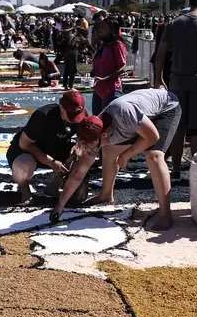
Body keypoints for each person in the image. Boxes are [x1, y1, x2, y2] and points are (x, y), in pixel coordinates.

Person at [54, 88, 181, 231]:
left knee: (153, 156)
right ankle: (106, 195)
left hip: (166, 107)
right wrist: (59, 206)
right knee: (108, 150)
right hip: (136, 122)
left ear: (103, 136)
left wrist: (126, 155)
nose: (88, 150)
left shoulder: (123, 114)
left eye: (90, 146)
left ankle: (165, 214)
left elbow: (152, 137)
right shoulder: (92, 135)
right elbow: (78, 173)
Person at [154, 0, 197, 178]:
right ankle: (195, 168)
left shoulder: (174, 24)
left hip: (176, 81)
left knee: (178, 127)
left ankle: (175, 167)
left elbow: (160, 53)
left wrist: (158, 78)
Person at [8, 90, 89, 204]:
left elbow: (84, 139)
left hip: (56, 148)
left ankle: (55, 185)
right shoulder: (43, 115)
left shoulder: (83, 115)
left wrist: (77, 148)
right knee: (23, 164)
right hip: (30, 151)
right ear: (61, 107)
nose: (74, 120)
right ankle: (25, 190)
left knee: (82, 156)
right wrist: (51, 162)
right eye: (71, 115)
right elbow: (25, 144)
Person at [90, 18, 127, 114]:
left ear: (112, 30)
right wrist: (93, 71)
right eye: (100, 27)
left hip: (111, 91)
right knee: (96, 119)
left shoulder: (117, 45)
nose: (100, 30)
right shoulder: (103, 45)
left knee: (108, 120)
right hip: (98, 89)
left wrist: (105, 78)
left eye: (103, 27)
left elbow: (122, 68)